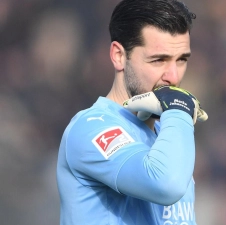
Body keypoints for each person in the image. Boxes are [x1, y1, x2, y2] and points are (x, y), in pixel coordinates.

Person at [56, 0, 207, 224]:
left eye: (181, 60)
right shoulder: (90, 127)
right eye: (158, 60)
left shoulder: (169, 134)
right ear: (119, 56)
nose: (174, 78)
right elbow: (166, 185)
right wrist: (178, 108)